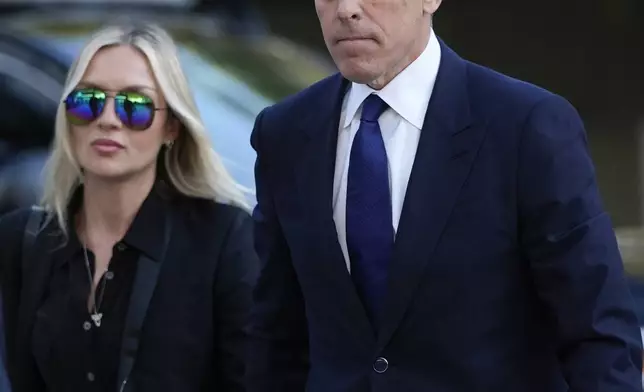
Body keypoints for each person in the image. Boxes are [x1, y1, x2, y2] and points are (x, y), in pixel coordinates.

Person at [246, 0, 643, 391]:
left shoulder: (525, 127)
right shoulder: (286, 134)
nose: (347, 8)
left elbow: (597, 333)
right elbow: (277, 336)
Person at [0, 23, 258, 392]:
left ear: (171, 127)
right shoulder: (22, 240)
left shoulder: (225, 240)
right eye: (87, 101)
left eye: (134, 106)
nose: (107, 119)